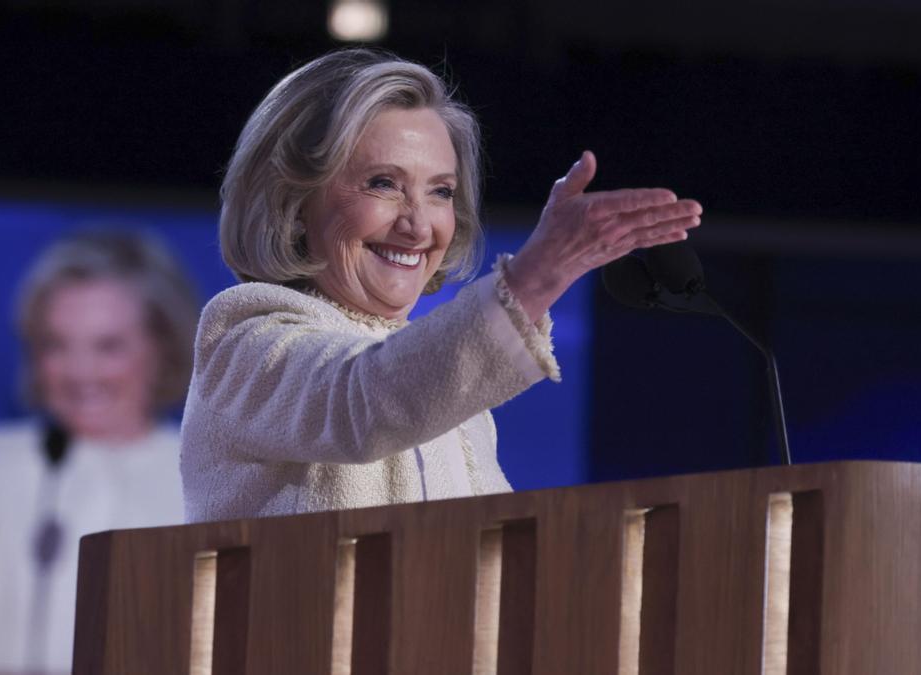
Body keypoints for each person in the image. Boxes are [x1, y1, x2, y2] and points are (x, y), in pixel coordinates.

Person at [180, 49, 702, 522]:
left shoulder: (453, 399)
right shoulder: (244, 342)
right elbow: (363, 400)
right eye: (383, 184)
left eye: (440, 191)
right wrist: (538, 274)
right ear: (293, 206)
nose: (419, 225)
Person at [0, 230, 198, 673]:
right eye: (56, 345)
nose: (79, 372)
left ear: (160, 349)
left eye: (107, 346)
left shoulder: (207, 479)